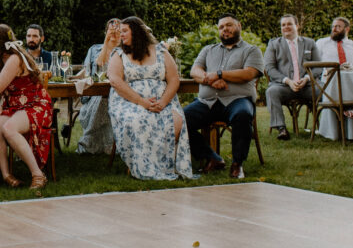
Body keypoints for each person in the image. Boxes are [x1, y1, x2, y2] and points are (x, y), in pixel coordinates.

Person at [107, 17, 193, 180]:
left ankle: (162, 164)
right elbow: (115, 81)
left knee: (176, 120)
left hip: (162, 101)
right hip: (129, 102)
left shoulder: (160, 51)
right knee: (138, 119)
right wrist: (142, 102)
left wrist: (163, 102)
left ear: (137, 32)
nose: (121, 35)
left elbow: (174, 79)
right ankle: (143, 165)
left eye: (125, 31)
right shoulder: (119, 54)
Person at [184, 14, 264, 180]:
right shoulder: (208, 50)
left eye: (229, 25)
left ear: (239, 26)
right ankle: (212, 157)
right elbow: (195, 71)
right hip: (208, 102)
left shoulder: (251, 50)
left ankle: (237, 164)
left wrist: (220, 74)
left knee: (243, 115)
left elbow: (248, 73)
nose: (225, 30)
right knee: (179, 120)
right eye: (221, 27)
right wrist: (210, 80)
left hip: (237, 100)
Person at [0, 25, 53, 189]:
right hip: (17, 105)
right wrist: (2, 104)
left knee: (9, 128)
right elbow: (9, 87)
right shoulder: (2, 57)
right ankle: (6, 175)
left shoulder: (14, 58)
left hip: (35, 104)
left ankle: (38, 175)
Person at [263, 15, 318, 140]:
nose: (286, 27)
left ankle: (327, 129)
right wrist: (288, 81)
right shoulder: (273, 44)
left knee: (326, 91)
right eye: (283, 25)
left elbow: (318, 66)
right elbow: (269, 68)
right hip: (284, 86)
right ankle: (281, 129)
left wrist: (306, 79)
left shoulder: (310, 43)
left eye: (289, 24)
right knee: (271, 92)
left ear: (297, 26)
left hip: (308, 86)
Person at [74, 18, 121, 154]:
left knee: (105, 99)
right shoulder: (95, 49)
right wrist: (107, 42)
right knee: (102, 98)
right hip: (94, 96)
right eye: (111, 29)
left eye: (118, 29)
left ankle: (88, 142)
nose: (114, 32)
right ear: (106, 31)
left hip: (118, 96)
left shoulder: (126, 51)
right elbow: (97, 67)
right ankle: (105, 146)